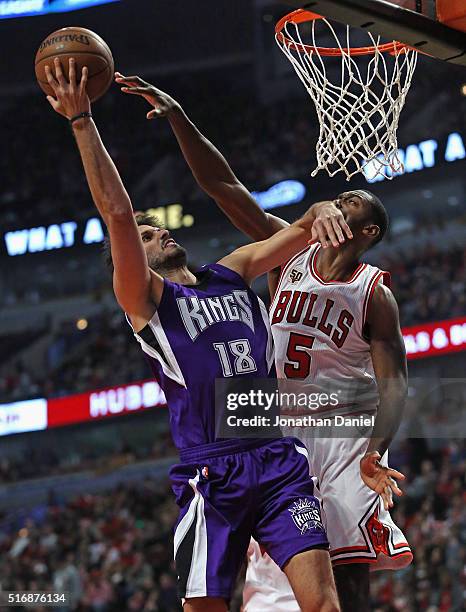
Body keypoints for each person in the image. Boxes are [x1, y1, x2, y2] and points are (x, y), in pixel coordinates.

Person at [44, 58, 341, 612]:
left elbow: (297, 230)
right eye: (148, 236)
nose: (158, 235)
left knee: (323, 602)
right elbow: (117, 212)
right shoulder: (147, 299)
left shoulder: (232, 271)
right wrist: (82, 121)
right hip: (213, 473)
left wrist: (323, 207)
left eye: (158, 231)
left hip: (279, 460)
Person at [113, 74, 412, 612]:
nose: (343, 200)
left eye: (357, 202)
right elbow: (221, 185)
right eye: (340, 195)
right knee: (272, 593)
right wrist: (180, 114)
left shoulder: (374, 294)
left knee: (347, 579)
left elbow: (395, 383)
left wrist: (376, 448)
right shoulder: (284, 255)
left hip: (340, 433)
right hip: (274, 432)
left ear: (368, 232)